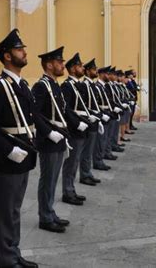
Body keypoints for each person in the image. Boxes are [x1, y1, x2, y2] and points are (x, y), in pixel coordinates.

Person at [0, 29, 43, 268]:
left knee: (14, 210)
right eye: (19, 49)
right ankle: (6, 260)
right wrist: (8, 150)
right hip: (6, 161)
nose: (24, 52)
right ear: (7, 56)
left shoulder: (23, 85)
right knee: (4, 213)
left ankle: (13, 253)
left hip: (23, 159)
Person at [31, 46, 71, 233]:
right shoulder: (41, 86)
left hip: (59, 137)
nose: (62, 65)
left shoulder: (54, 85)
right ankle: (45, 217)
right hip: (49, 140)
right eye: (59, 62)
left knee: (54, 178)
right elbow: (35, 113)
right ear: (49, 65)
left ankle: (50, 211)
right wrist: (48, 132)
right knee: (47, 179)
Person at [60, 53, 95, 205]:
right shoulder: (67, 86)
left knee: (76, 161)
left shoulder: (78, 85)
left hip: (83, 126)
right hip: (75, 129)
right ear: (73, 69)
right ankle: (67, 192)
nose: (83, 68)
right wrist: (76, 123)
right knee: (71, 162)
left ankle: (71, 189)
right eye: (80, 66)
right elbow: (66, 109)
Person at [78, 58, 104, 185]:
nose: (96, 71)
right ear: (88, 72)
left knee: (90, 148)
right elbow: (83, 106)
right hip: (88, 120)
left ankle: (87, 172)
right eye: (94, 69)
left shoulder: (92, 85)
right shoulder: (84, 85)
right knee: (86, 150)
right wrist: (93, 116)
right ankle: (84, 174)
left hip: (94, 120)